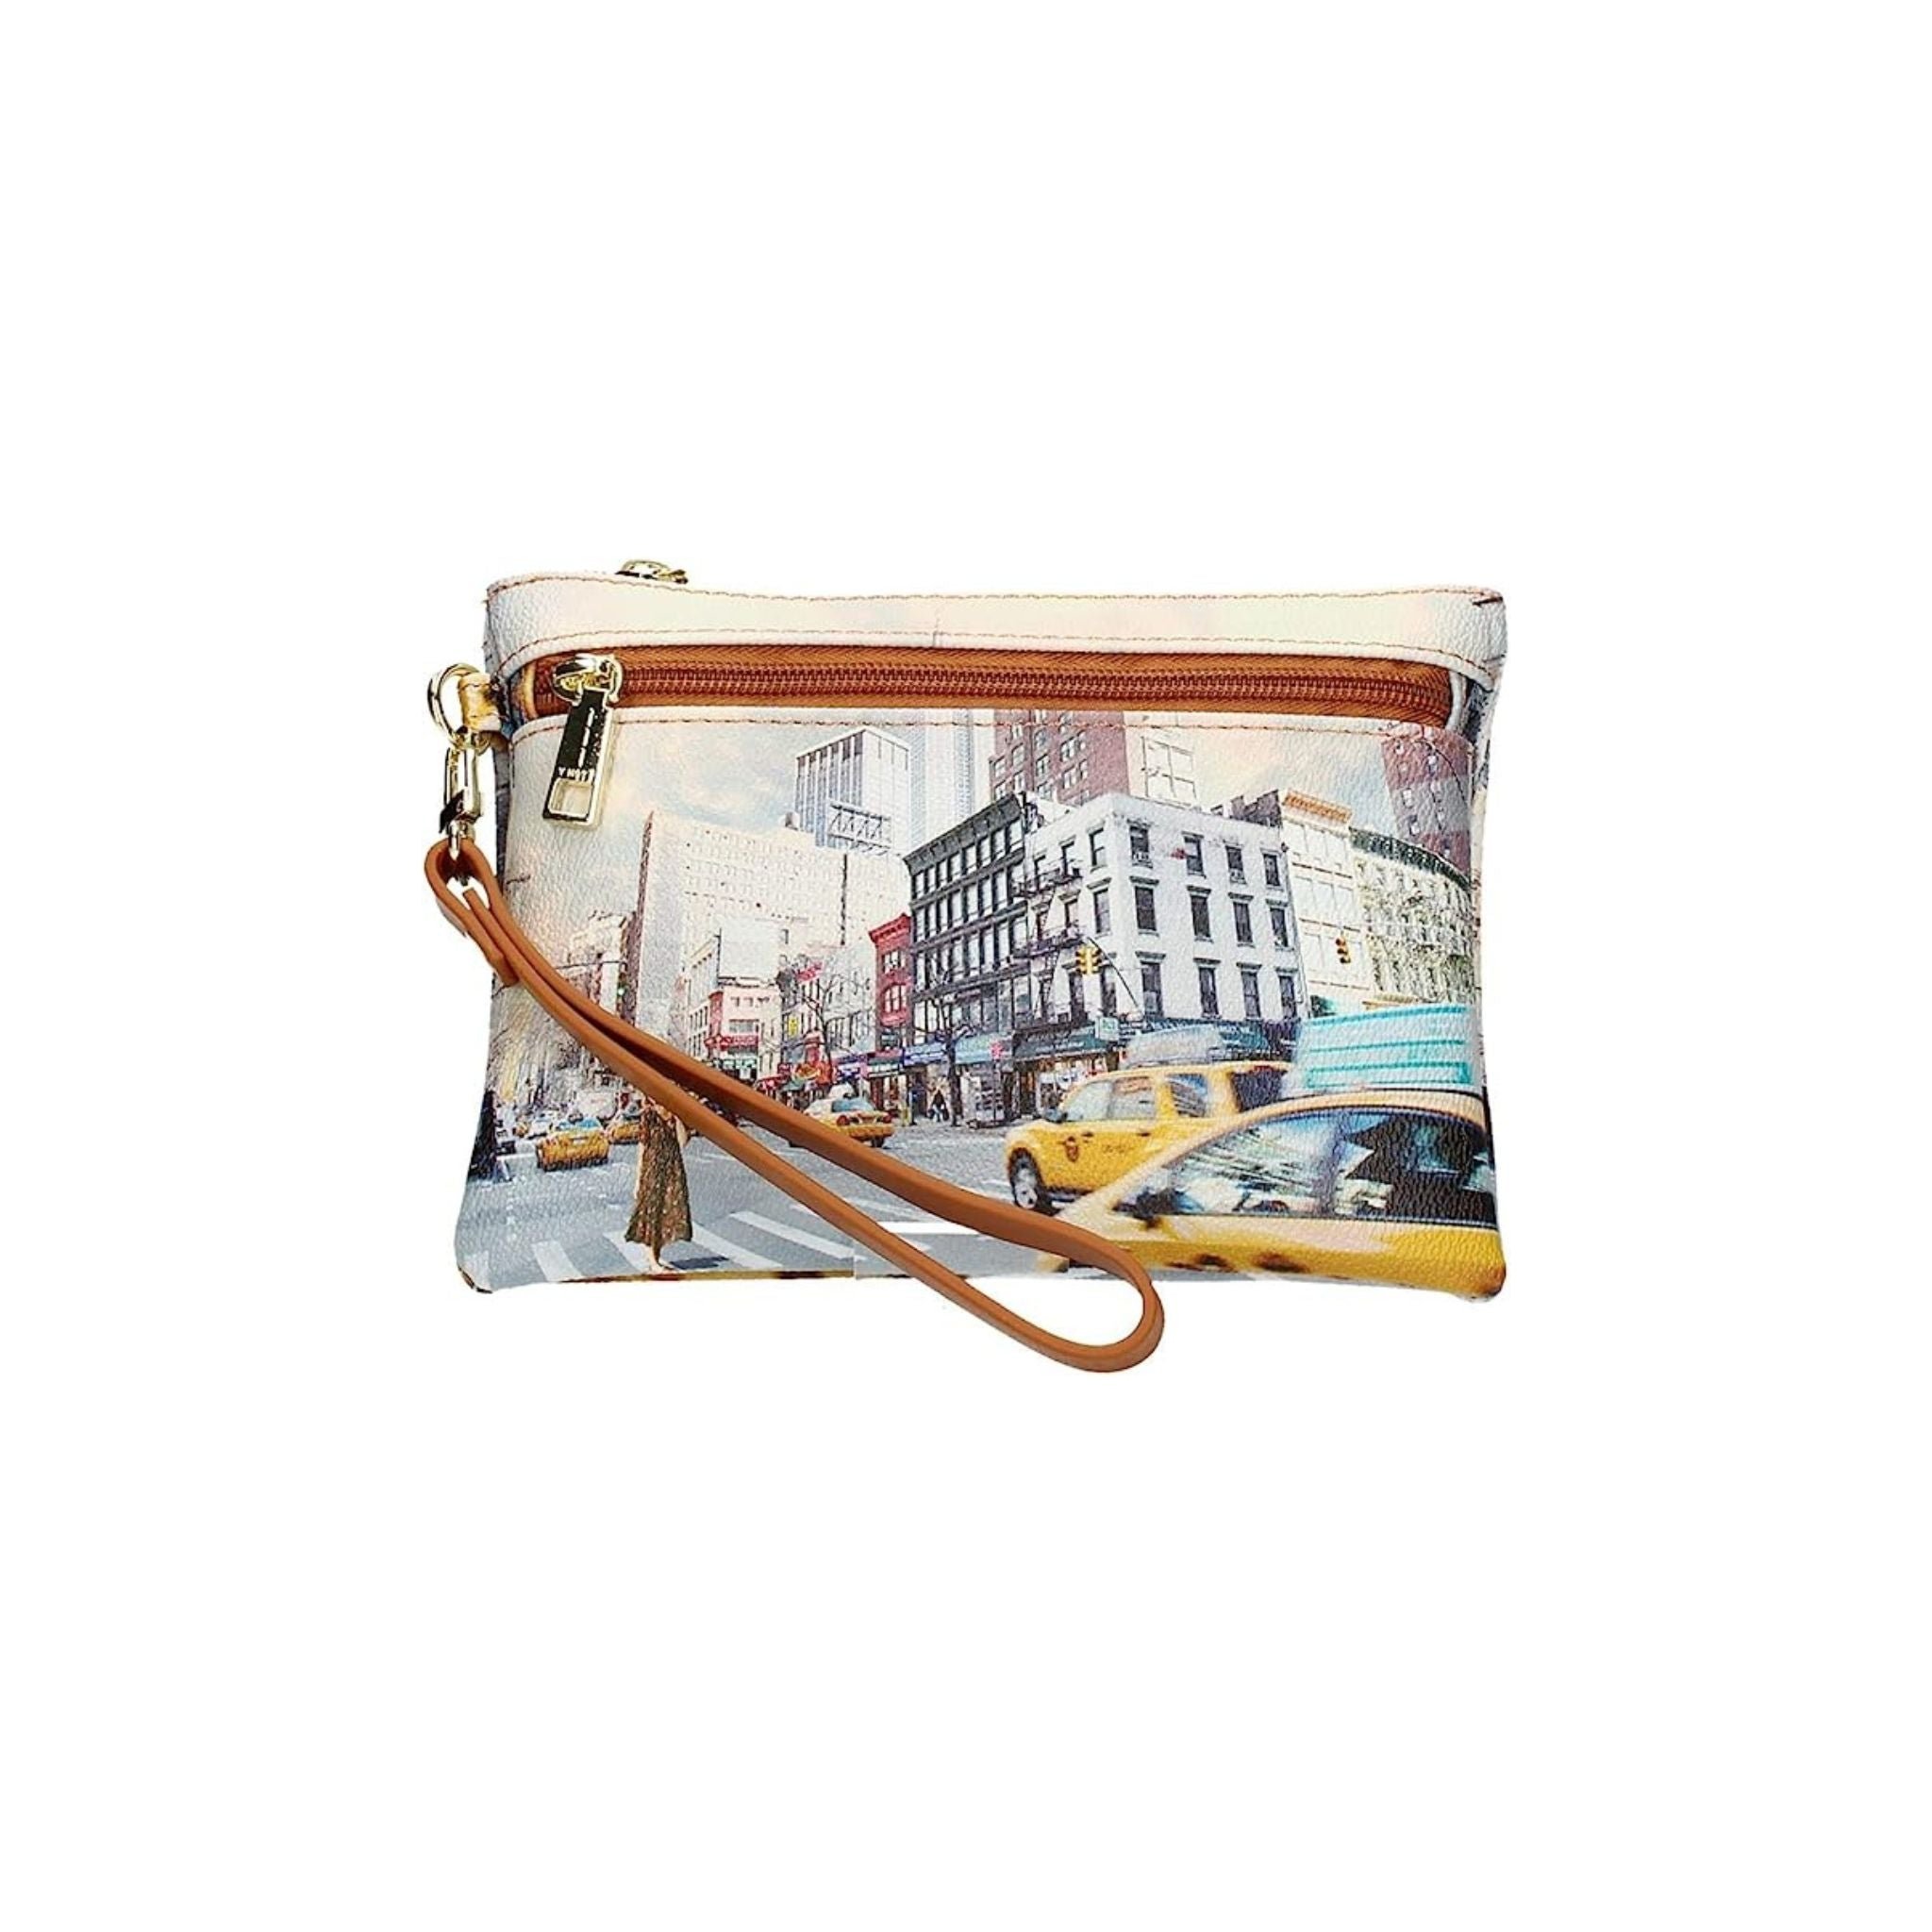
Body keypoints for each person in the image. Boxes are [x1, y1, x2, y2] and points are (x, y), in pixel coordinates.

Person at [625, 1096, 691, 1270]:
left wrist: (677, 1117)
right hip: (652, 1170)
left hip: (672, 1170)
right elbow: (642, 1147)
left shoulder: (673, 1116)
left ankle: (656, 1257)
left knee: (665, 1212)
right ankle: (652, 1261)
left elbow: (683, 1142)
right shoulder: (648, 1115)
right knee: (651, 1213)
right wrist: (638, 1178)